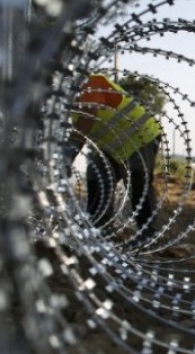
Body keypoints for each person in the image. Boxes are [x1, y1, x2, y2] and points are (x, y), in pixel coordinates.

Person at [68, 74, 162, 243]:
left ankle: (149, 233)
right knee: (96, 176)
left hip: (140, 136)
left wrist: (67, 155)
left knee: (137, 181)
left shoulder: (92, 84)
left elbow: (86, 119)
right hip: (115, 146)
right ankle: (100, 227)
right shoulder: (73, 105)